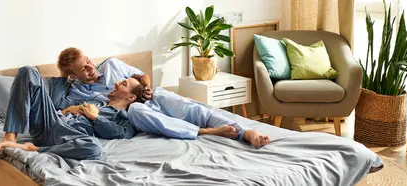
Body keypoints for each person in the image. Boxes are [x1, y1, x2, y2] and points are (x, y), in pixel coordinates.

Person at [57, 47, 270, 147]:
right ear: (73, 75)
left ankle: (245, 132)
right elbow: (75, 110)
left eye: (88, 61)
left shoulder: (112, 65)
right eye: (83, 69)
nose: (90, 68)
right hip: (130, 111)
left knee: (193, 109)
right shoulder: (75, 91)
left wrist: (146, 87)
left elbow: (143, 76)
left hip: (151, 97)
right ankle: (207, 132)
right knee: (139, 111)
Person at [0, 66, 150, 160]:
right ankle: (10, 137)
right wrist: (68, 109)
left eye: (124, 83)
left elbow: (122, 134)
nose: (117, 83)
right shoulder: (96, 100)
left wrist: (95, 117)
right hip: (52, 122)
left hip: (71, 136)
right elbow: (57, 103)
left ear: (131, 96)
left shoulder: (124, 117)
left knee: (94, 148)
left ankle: (32, 148)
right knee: (28, 71)